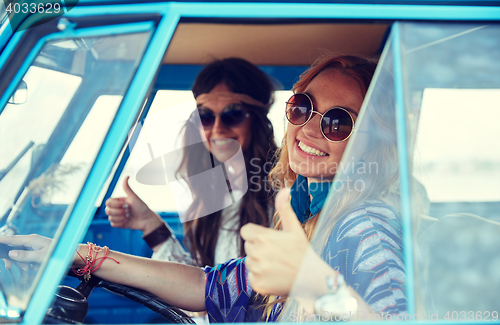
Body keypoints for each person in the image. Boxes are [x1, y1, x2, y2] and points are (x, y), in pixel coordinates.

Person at [1, 54, 406, 322]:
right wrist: (80, 255)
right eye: (302, 107)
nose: (310, 128)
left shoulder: (364, 222)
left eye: (339, 121)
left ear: (374, 140)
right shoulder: (302, 209)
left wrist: (319, 284)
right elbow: (208, 286)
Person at [105, 58, 278, 267]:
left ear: (257, 120)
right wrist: (150, 225)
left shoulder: (282, 193)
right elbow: (205, 282)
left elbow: (211, 289)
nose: (217, 128)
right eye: (205, 116)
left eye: (233, 114)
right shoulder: (216, 191)